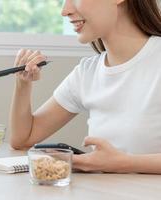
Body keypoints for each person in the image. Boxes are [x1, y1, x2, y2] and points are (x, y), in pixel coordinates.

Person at [9, 0, 161, 174]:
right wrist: (23, 83)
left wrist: (122, 163)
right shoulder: (87, 72)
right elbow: (23, 139)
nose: (65, 11)